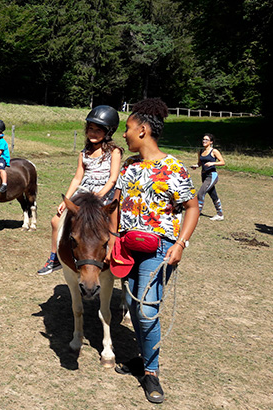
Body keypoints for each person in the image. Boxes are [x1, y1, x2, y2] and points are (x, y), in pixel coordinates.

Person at [108, 98, 199, 404]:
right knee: (133, 308)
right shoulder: (130, 167)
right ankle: (143, 359)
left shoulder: (173, 167)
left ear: (143, 130)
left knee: (146, 313)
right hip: (127, 247)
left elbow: (192, 207)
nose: (125, 134)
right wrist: (111, 238)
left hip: (159, 249)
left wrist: (180, 244)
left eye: (129, 128)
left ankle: (151, 373)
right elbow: (116, 205)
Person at [37, 105, 123, 275]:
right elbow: (77, 178)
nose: (93, 133)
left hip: (104, 194)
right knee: (56, 221)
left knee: (116, 224)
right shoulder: (84, 153)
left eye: (98, 130)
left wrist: (100, 194)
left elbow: (113, 178)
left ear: (108, 132)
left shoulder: (114, 152)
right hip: (84, 193)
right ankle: (55, 258)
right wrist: (66, 199)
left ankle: (116, 256)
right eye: (90, 129)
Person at [190, 133, 225, 220]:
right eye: (203, 139)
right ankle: (220, 215)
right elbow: (200, 163)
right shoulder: (201, 151)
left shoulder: (214, 151)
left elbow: (222, 162)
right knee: (213, 195)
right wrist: (196, 166)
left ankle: (196, 214)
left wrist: (213, 163)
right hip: (204, 175)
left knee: (201, 193)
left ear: (211, 142)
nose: (204, 141)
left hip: (212, 175)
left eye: (206, 140)